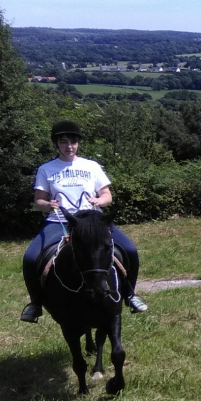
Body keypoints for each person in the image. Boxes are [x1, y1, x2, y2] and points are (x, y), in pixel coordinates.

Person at [20, 120, 148, 323]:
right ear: (56, 143)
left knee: (130, 250)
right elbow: (39, 201)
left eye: (73, 142)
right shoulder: (46, 169)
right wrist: (47, 204)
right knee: (30, 257)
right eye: (64, 142)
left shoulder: (92, 166)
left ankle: (131, 295)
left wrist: (100, 200)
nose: (69, 146)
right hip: (59, 220)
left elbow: (107, 196)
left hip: (93, 221)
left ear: (78, 143)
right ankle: (35, 304)